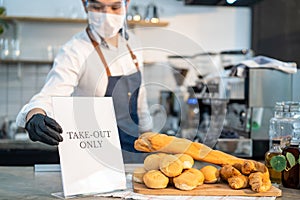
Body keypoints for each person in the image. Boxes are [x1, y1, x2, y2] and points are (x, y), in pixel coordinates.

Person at [16, 0, 152, 163]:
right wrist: (35, 115)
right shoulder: (75, 50)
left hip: (134, 156)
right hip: (95, 160)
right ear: (84, 5)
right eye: (97, 7)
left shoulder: (133, 44)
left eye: (115, 7)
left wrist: (150, 140)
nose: (107, 15)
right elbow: (50, 95)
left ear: (126, 4)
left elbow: (140, 101)